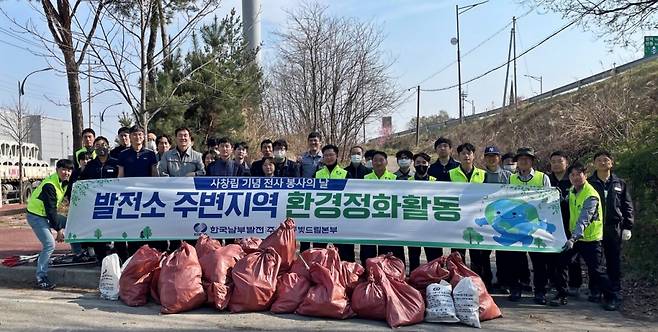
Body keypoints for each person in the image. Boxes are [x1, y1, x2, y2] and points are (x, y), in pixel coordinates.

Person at [550, 161, 618, 311]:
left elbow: (584, 219)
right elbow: (566, 205)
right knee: (560, 263)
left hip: (590, 239)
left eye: (578, 174)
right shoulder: (573, 190)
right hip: (575, 238)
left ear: (585, 175)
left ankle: (611, 297)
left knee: (597, 271)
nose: (575, 178)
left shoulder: (591, 195)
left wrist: (572, 238)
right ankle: (562, 294)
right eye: (572, 175)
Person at [507, 147, 553, 304]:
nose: (524, 161)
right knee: (515, 260)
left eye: (527, 159)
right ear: (517, 162)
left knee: (539, 261)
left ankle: (540, 291)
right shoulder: (511, 179)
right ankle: (516, 288)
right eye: (521, 159)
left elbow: (548, 201)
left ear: (532, 161)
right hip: (516, 226)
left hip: (537, 226)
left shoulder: (542, 178)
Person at [587, 151, 634, 306]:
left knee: (613, 261)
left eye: (605, 160)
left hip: (613, 228)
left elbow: (627, 206)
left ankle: (615, 289)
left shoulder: (619, 183)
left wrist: (628, 226)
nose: (602, 162)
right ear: (594, 164)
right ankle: (595, 289)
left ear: (611, 163)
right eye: (599, 160)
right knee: (596, 262)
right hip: (594, 228)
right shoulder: (589, 182)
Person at [26, 159, 81, 289]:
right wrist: (59, 230)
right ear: (57, 170)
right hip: (36, 216)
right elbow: (51, 210)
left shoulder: (65, 182)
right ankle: (41, 277)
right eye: (63, 169)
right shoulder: (50, 185)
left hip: (46, 214)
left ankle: (78, 253)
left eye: (69, 170)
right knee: (49, 244)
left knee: (72, 223)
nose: (66, 172)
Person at [116, 126, 159, 259]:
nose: (137, 137)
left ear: (144, 136)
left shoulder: (150, 154)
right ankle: (131, 257)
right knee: (131, 226)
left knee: (147, 225)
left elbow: (154, 176)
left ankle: (149, 256)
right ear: (130, 136)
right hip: (129, 196)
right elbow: (120, 175)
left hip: (147, 197)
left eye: (140, 134)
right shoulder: (123, 154)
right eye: (134, 135)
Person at [78, 136, 120, 262]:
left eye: (103, 145)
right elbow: (83, 183)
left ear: (108, 147)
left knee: (115, 231)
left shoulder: (116, 163)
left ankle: (117, 259)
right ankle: (101, 259)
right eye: (97, 146)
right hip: (96, 205)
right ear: (94, 149)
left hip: (113, 203)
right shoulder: (90, 165)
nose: (101, 148)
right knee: (98, 232)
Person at [476, 146, 510, 292]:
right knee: (483, 254)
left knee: (503, 253)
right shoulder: (481, 176)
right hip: (484, 219)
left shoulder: (508, 175)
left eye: (494, 156)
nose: (491, 158)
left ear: (499, 158)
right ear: (485, 158)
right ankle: (487, 282)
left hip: (504, 220)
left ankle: (504, 282)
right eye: (488, 156)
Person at [548, 151, 583, 296]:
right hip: (551, 223)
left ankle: (575, 284)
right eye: (553, 161)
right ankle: (554, 283)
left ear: (566, 163)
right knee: (552, 255)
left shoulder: (572, 179)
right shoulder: (547, 179)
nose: (556, 164)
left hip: (570, 223)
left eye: (559, 161)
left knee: (572, 256)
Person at [311, 144, 352, 260]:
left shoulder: (345, 174)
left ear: (337, 156)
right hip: (320, 216)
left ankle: (346, 274)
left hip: (341, 217)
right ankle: (318, 273)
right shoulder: (317, 174)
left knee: (344, 251)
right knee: (319, 250)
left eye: (331, 155)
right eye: (326, 155)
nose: (328, 157)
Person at [448, 143, 486, 259]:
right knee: (458, 255)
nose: (466, 156)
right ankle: (458, 276)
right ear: (458, 156)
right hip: (458, 219)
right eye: (463, 153)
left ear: (474, 155)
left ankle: (478, 276)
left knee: (477, 254)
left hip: (476, 219)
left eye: (469, 153)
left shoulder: (483, 174)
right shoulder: (451, 174)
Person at [363, 151, 401, 264]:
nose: (378, 163)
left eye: (381, 160)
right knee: (367, 251)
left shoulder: (394, 178)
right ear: (371, 162)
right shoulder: (364, 178)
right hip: (369, 220)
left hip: (388, 221)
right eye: (375, 160)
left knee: (386, 252)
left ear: (386, 162)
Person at [406, 152, 438, 272]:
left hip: (431, 225)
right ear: (413, 164)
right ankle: (415, 279)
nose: (421, 165)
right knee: (414, 256)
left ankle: (434, 279)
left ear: (428, 164)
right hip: (413, 224)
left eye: (424, 163)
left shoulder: (436, 182)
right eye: (418, 163)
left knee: (433, 257)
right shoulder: (406, 182)